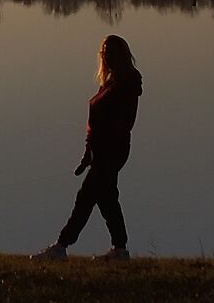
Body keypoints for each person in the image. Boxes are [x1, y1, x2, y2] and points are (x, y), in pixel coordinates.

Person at [33, 34, 142, 261]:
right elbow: (97, 123)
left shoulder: (126, 84)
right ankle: (119, 250)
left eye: (111, 52)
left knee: (86, 197)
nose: (107, 57)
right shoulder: (112, 83)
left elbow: (118, 122)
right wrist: (88, 153)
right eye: (104, 53)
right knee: (107, 199)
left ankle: (61, 246)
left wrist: (102, 151)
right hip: (103, 152)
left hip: (112, 151)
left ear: (121, 55)